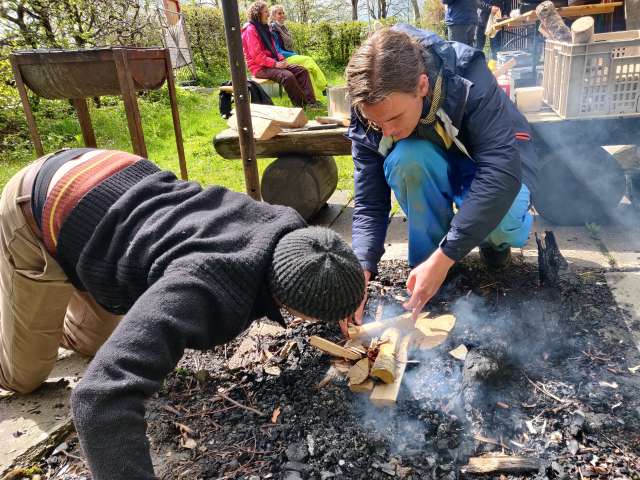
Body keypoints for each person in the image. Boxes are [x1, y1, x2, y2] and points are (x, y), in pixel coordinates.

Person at [0, 147, 365, 479]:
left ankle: (52, 306)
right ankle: (26, 302)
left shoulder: (290, 233)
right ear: (292, 305)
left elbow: (319, 266)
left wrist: (340, 296)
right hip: (41, 206)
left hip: (114, 181)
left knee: (96, 343)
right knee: (24, 375)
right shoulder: (202, 287)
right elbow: (98, 398)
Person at [343, 25, 538, 327]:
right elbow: (369, 201)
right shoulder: (368, 104)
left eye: (394, 118)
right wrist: (361, 268)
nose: (387, 131)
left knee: (502, 220)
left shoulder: (467, 77)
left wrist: (449, 253)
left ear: (422, 85)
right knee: (407, 159)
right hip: (435, 162)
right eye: (377, 123)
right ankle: (428, 268)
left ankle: (489, 246)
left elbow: (500, 171)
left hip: (492, 165)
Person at [241, 1, 317, 107]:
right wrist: (275, 64)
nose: (268, 14)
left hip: (273, 63)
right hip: (259, 68)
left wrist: (281, 60)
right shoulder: (250, 30)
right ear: (257, 13)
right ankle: (302, 105)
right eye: (266, 12)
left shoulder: (265, 27)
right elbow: (257, 56)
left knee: (301, 71)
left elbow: (275, 49)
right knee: (287, 76)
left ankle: (311, 103)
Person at [269, 4, 328, 101]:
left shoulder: (283, 28)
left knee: (307, 70)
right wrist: (294, 54)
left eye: (283, 13)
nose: (282, 15)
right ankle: (324, 87)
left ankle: (315, 99)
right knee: (308, 60)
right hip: (281, 59)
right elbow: (277, 51)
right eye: (279, 13)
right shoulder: (273, 30)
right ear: (273, 16)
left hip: (288, 56)